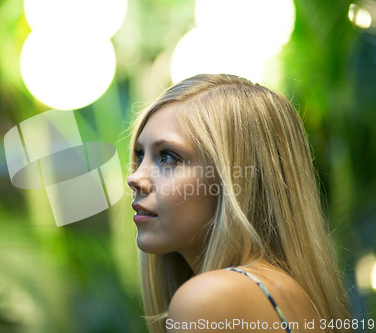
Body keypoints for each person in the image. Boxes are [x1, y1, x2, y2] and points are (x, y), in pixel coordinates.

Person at [127, 74, 352, 333]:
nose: (135, 177)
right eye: (141, 155)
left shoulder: (209, 299)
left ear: (236, 179)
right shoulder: (288, 294)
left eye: (168, 156)